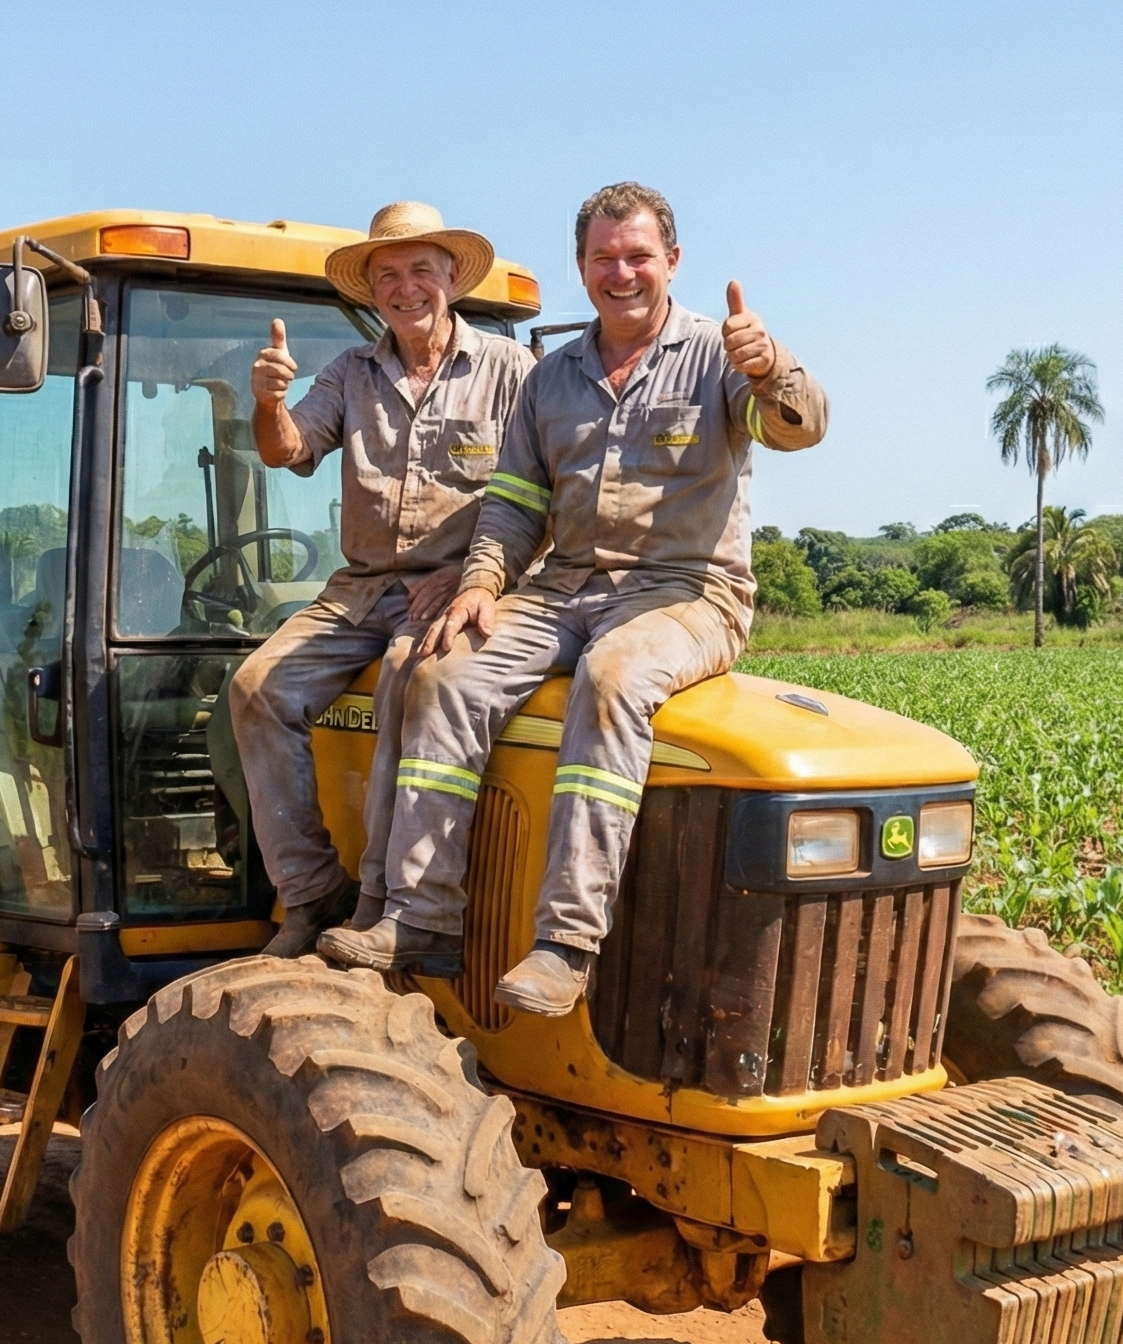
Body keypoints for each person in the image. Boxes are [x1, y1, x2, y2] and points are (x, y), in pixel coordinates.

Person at [322, 180, 828, 1009]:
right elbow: (517, 503)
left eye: (637, 256)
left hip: (687, 591)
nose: (620, 273)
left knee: (613, 677)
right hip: (564, 588)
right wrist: (482, 580)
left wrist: (774, 371)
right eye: (603, 259)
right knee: (442, 671)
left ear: (672, 261)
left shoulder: (718, 354)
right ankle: (423, 916)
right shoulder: (550, 378)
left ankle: (564, 941)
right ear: (582, 267)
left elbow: (795, 427)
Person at [228, 201, 533, 959]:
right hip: (361, 587)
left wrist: (474, 574)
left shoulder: (510, 371)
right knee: (256, 689)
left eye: (420, 271)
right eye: (388, 275)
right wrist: (267, 401)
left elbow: (552, 489)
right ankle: (309, 894)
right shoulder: (351, 373)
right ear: (371, 291)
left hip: (457, 584)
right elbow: (286, 448)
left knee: (409, 674)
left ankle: (384, 908)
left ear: (451, 279)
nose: (405, 288)